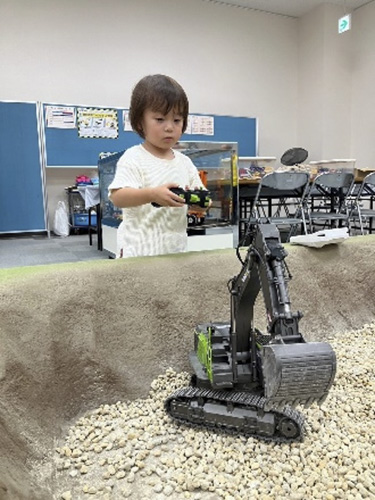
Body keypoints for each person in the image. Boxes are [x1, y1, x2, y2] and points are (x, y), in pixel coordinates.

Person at [108, 74, 207, 258]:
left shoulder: (185, 163)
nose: (169, 127)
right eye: (160, 119)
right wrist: (152, 194)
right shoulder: (134, 157)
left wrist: (198, 201)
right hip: (139, 252)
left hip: (175, 251)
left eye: (177, 120)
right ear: (140, 122)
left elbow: (202, 205)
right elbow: (118, 197)